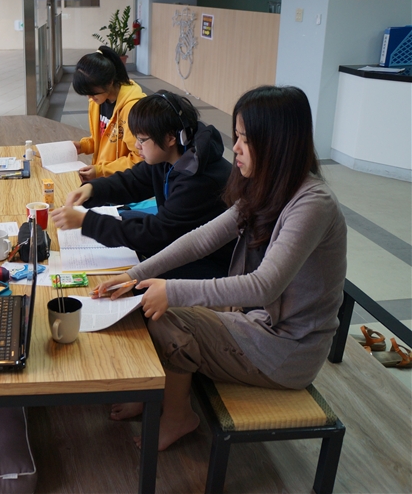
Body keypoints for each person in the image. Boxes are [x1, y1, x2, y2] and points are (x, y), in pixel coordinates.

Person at [95, 86, 347, 451]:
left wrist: (171, 290)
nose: (236, 148)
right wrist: (136, 274)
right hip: (254, 317)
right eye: (237, 136)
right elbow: (201, 239)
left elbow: (264, 286)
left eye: (246, 139)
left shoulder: (312, 204)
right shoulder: (266, 188)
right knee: (146, 295)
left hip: (286, 348)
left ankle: (177, 415)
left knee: (167, 317)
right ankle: (152, 392)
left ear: (277, 143)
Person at [51, 91, 234, 279]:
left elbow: (154, 236)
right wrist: (93, 189)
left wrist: (86, 222)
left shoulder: (199, 182)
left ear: (170, 138)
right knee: (126, 218)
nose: (137, 145)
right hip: (179, 238)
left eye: (142, 139)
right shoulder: (173, 154)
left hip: (215, 262)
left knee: (136, 273)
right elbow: (134, 180)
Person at [71, 45, 145, 182]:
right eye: (86, 93)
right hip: (105, 180)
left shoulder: (133, 108)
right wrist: (83, 146)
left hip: (124, 183)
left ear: (110, 82)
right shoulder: (97, 101)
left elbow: (140, 158)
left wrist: (102, 170)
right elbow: (103, 139)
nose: (89, 97)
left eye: (92, 93)